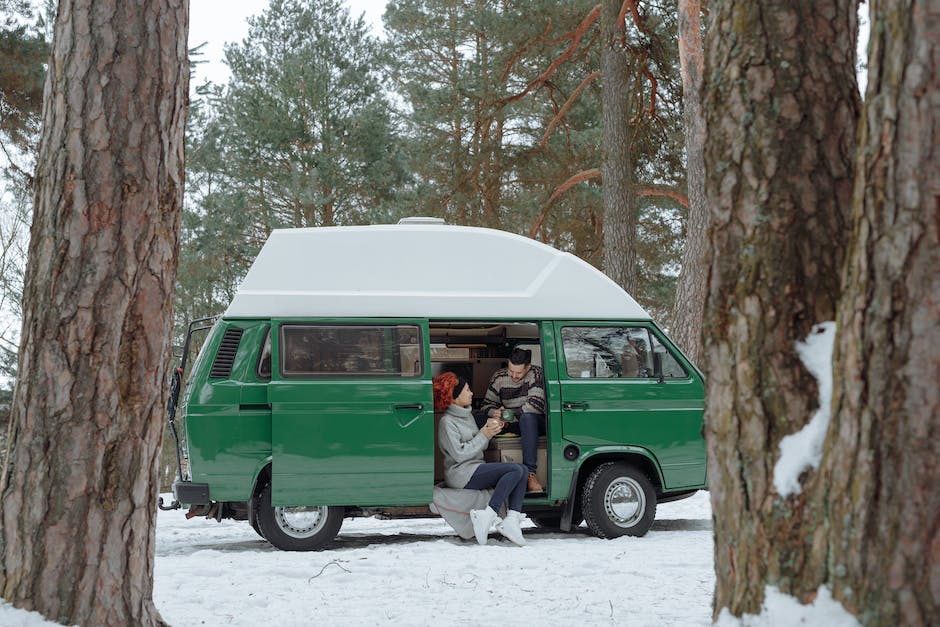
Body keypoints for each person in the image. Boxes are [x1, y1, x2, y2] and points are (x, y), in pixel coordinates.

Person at [433, 371, 529, 546]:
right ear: (455, 396)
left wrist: (489, 430)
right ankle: (488, 514)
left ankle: (512, 521)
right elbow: (459, 454)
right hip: (460, 473)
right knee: (515, 469)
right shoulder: (447, 422)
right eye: (467, 390)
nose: (471, 393)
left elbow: (479, 444)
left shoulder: (466, 415)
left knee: (522, 470)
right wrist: (483, 435)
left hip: (474, 467)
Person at [477, 348, 546, 493]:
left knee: (527, 418)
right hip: (508, 422)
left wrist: (508, 415)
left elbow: (535, 406)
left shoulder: (536, 374)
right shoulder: (499, 377)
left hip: (532, 422)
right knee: (477, 419)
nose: (514, 376)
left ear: (528, 367)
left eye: (518, 372)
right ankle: (477, 469)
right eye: (511, 371)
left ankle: (530, 473)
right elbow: (486, 405)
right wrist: (495, 412)